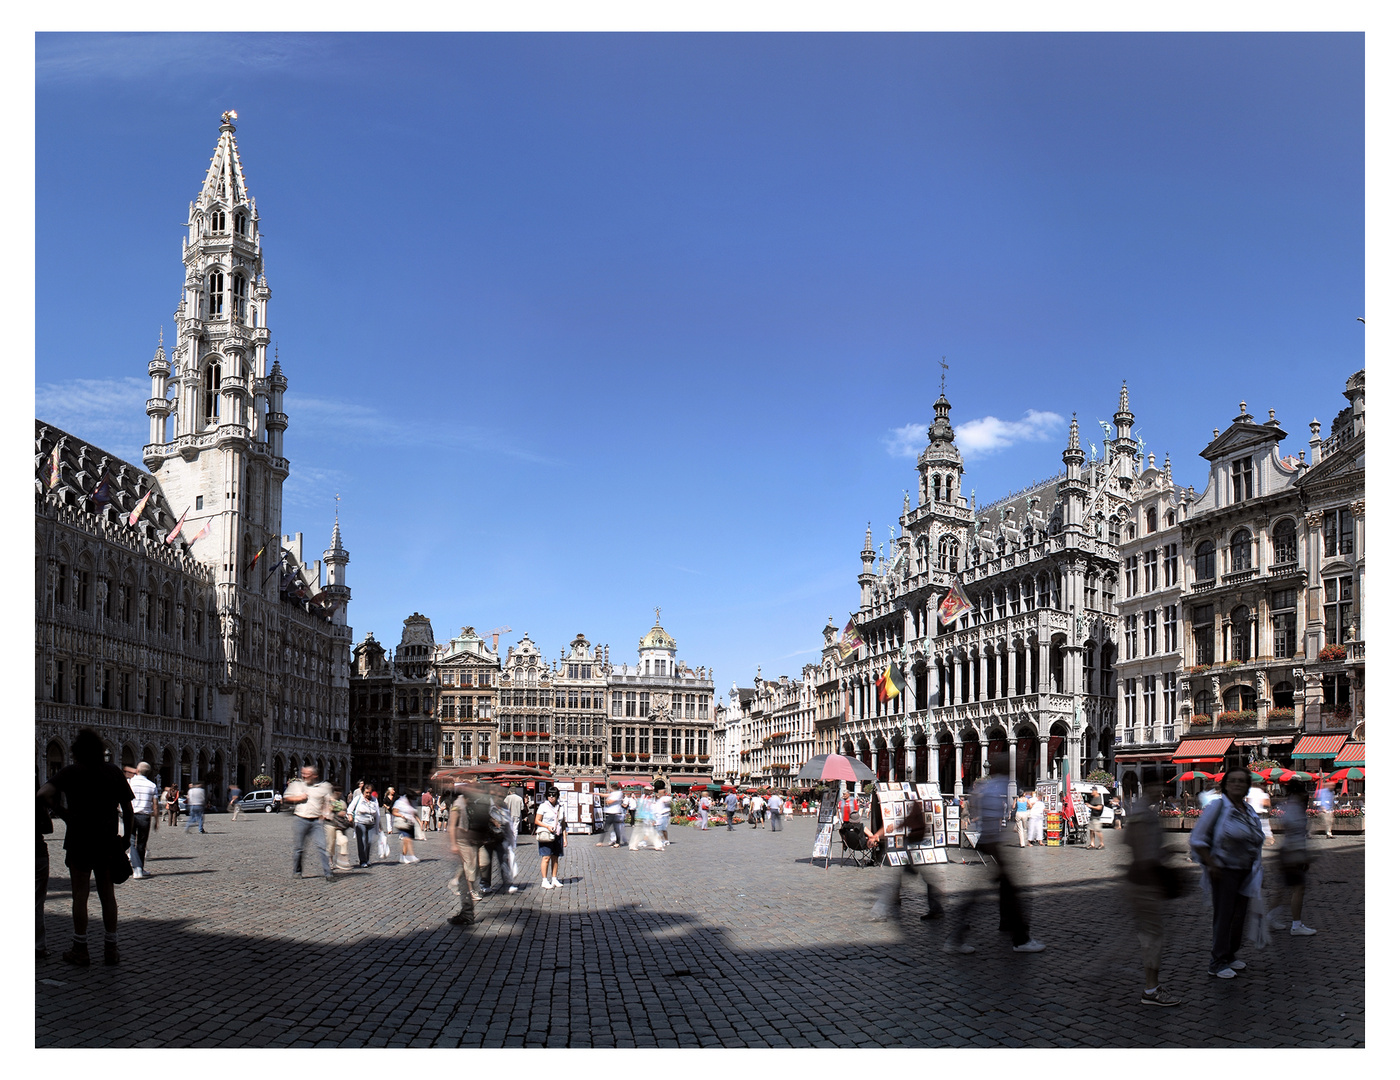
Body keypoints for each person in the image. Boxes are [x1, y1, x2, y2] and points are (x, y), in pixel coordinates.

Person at [37, 728, 135, 966]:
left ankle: (80, 948)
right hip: (107, 840)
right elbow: (128, 809)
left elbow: (43, 793)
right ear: (101, 750)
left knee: (80, 896)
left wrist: (62, 812)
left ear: (76, 751)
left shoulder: (71, 772)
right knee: (107, 895)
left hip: (80, 839)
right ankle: (111, 948)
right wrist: (126, 838)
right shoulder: (112, 771)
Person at [944, 755, 1046, 954]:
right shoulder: (996, 787)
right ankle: (1020, 939)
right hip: (993, 846)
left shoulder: (989, 786)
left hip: (990, 845)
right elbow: (991, 822)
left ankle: (1013, 933)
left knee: (995, 894)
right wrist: (1000, 855)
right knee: (999, 894)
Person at [1189, 766, 1265, 979]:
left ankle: (1230, 954)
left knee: (1239, 915)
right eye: (1233, 780)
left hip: (1245, 870)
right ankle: (1217, 961)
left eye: (1242, 781)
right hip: (1224, 870)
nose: (1238, 784)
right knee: (1224, 916)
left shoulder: (1247, 810)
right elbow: (1197, 838)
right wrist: (1211, 864)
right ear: (1226, 784)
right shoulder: (1217, 807)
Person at [1123, 781, 1183, 1006]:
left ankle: (1150, 985)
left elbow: (1128, 842)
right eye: (1157, 789)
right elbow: (1139, 848)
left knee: (1147, 934)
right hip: (1145, 880)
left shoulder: (1140, 812)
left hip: (1141, 879)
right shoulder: (1143, 815)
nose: (1161, 793)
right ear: (1146, 789)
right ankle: (1151, 989)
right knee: (1152, 937)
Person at [867, 796, 943, 922]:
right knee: (918, 881)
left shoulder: (915, 817)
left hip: (915, 856)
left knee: (896, 883)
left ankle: (880, 912)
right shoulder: (917, 817)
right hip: (916, 857)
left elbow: (895, 826)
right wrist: (876, 835)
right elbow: (895, 826)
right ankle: (936, 909)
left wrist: (876, 835)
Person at [1273, 779, 1317, 936]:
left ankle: (1269, 917)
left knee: (1284, 888)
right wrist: (1301, 855)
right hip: (1293, 853)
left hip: (1289, 851)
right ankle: (1296, 925)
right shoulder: (1295, 809)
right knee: (1298, 888)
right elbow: (1294, 832)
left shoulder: (1291, 807)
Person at [447, 782, 490, 924]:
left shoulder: (473, 803)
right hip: (462, 839)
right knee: (470, 866)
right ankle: (469, 892)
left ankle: (459, 881)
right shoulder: (458, 804)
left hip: (474, 839)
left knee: (481, 863)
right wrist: (453, 844)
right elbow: (452, 826)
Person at [284, 765, 335, 880]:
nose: (304, 776)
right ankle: (297, 871)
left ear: (315, 775)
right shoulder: (296, 785)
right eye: (303, 773)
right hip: (300, 819)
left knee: (322, 846)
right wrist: (298, 798)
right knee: (299, 848)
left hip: (316, 821)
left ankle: (328, 873)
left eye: (307, 774)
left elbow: (329, 802)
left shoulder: (324, 787)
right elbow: (286, 798)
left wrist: (326, 813)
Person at [127, 762, 159, 878]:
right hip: (145, 817)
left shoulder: (130, 782)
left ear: (137, 770)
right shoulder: (152, 785)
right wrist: (156, 820)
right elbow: (155, 805)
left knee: (131, 841)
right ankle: (140, 867)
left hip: (131, 815)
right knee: (141, 843)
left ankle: (137, 868)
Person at [536, 788, 568, 887]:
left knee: (555, 857)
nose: (551, 797)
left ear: (557, 796)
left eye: (553, 795)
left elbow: (562, 823)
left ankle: (554, 878)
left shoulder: (560, 807)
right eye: (549, 795)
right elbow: (537, 820)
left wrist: (565, 837)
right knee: (546, 857)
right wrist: (547, 826)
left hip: (557, 834)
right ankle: (544, 880)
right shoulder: (543, 806)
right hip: (546, 834)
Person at [347, 781, 379, 868]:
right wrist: (350, 816)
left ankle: (367, 858)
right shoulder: (358, 799)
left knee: (369, 842)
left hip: (371, 823)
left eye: (370, 792)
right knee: (363, 841)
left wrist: (379, 825)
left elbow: (377, 813)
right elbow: (350, 809)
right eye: (366, 792)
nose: (368, 794)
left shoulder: (374, 800)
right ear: (363, 792)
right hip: (360, 822)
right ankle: (363, 860)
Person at [326, 786, 353, 870]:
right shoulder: (328, 800)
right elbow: (324, 812)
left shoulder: (342, 802)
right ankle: (330, 861)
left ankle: (342, 860)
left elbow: (346, 811)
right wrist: (333, 811)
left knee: (343, 840)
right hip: (329, 824)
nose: (339, 793)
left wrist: (345, 814)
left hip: (340, 826)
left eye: (340, 791)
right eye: (337, 791)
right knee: (330, 844)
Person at [392, 789, 420, 863]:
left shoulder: (412, 802)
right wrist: (402, 815)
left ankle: (411, 855)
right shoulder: (399, 802)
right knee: (406, 839)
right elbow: (394, 812)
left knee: (409, 840)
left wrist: (419, 821)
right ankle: (403, 856)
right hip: (402, 823)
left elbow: (414, 812)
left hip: (410, 823)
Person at [1245, 781, 1274, 846]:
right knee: (1265, 828)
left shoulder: (1249, 791)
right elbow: (1267, 803)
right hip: (1261, 812)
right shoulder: (1261, 792)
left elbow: (1247, 801)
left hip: (1251, 812)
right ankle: (1268, 840)